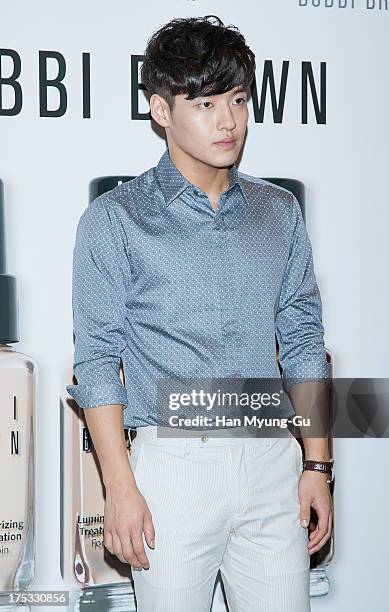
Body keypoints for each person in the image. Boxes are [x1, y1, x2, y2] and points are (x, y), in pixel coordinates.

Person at [66, 15, 334, 612]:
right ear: (161, 110)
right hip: (172, 467)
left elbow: (303, 339)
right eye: (207, 102)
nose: (229, 121)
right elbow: (97, 361)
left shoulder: (279, 211)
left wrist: (317, 463)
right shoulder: (116, 219)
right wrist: (119, 487)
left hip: (273, 460)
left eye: (238, 100)